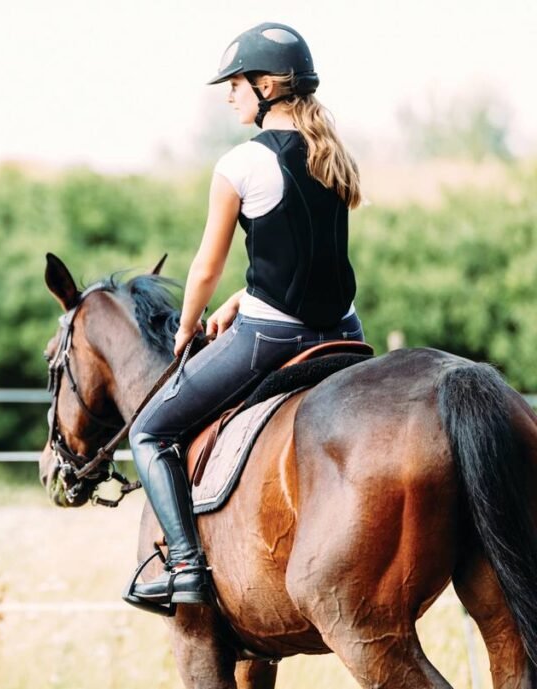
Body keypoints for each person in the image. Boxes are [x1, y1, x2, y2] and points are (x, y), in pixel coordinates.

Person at [124, 22, 366, 607]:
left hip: (274, 339)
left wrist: (186, 327)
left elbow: (205, 268)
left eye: (235, 84)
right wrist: (244, 294)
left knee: (149, 431)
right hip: (347, 335)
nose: (229, 95)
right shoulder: (333, 154)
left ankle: (184, 566)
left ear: (265, 86)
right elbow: (304, 254)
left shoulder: (241, 163)